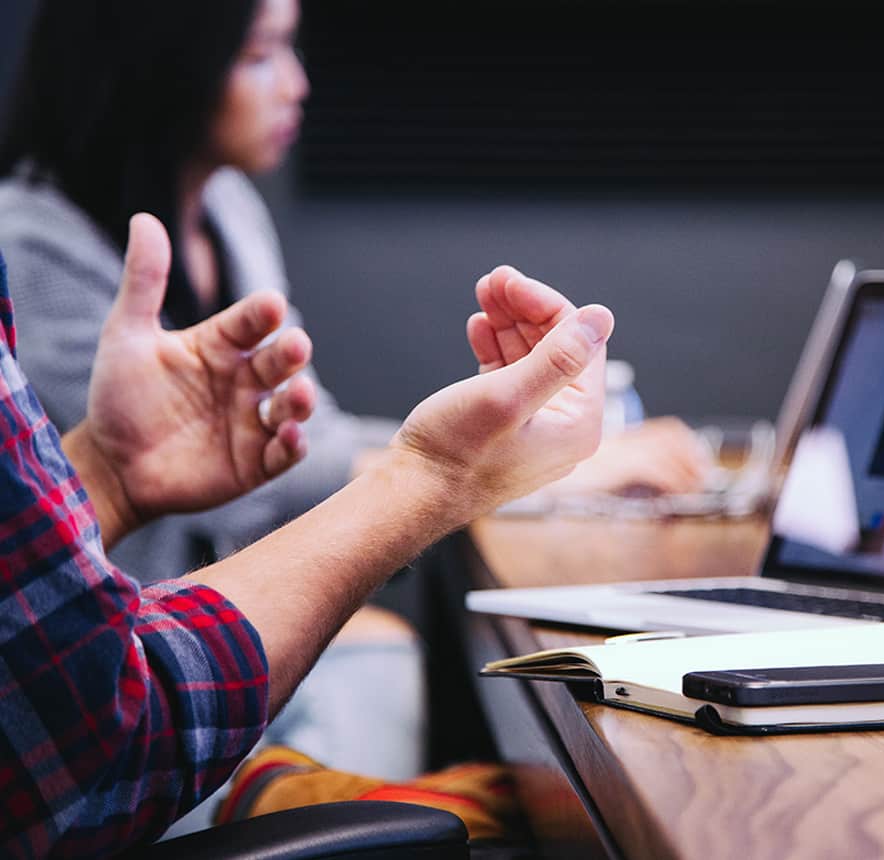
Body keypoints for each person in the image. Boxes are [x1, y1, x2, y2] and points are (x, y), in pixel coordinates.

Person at [0, 0, 708, 789]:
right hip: (111, 686)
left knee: (388, 658)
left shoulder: (227, 210)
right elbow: (268, 482)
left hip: (186, 634)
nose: (298, 84)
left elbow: (296, 437)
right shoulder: (28, 248)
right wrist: (477, 468)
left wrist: (110, 470)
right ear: (161, 65)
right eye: (261, 54)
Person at [0, 212, 615, 856]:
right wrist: (438, 476)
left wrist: (104, 475)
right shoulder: (37, 237)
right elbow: (97, 731)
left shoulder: (228, 209)